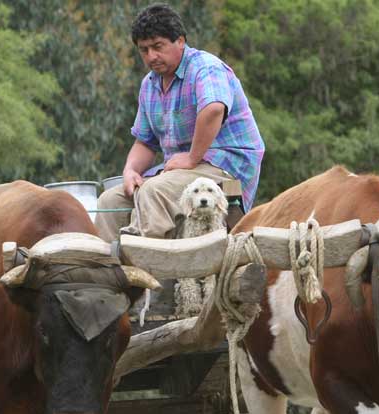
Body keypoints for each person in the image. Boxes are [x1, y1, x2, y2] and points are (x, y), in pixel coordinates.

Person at [95, 3, 265, 241]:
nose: (151, 56)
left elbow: (214, 109)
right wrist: (130, 170)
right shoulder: (149, 84)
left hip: (224, 165)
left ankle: (151, 264)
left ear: (181, 41)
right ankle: (112, 272)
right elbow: (145, 141)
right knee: (109, 201)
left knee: (152, 191)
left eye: (158, 46)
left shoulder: (205, 67)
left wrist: (192, 157)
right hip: (178, 171)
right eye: (144, 50)